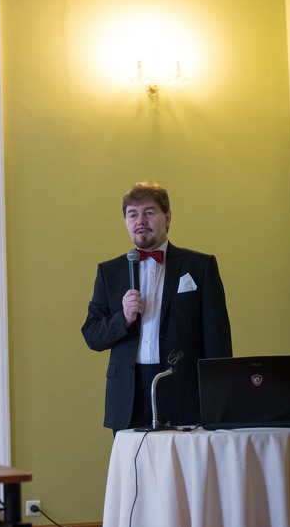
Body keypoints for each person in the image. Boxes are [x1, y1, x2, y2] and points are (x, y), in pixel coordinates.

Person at [81, 181, 232, 431]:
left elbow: (217, 341)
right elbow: (92, 335)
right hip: (128, 395)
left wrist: (219, 403)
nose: (140, 221)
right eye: (133, 214)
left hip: (184, 390)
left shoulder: (200, 266)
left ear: (167, 217)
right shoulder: (109, 272)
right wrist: (123, 318)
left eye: (149, 212)